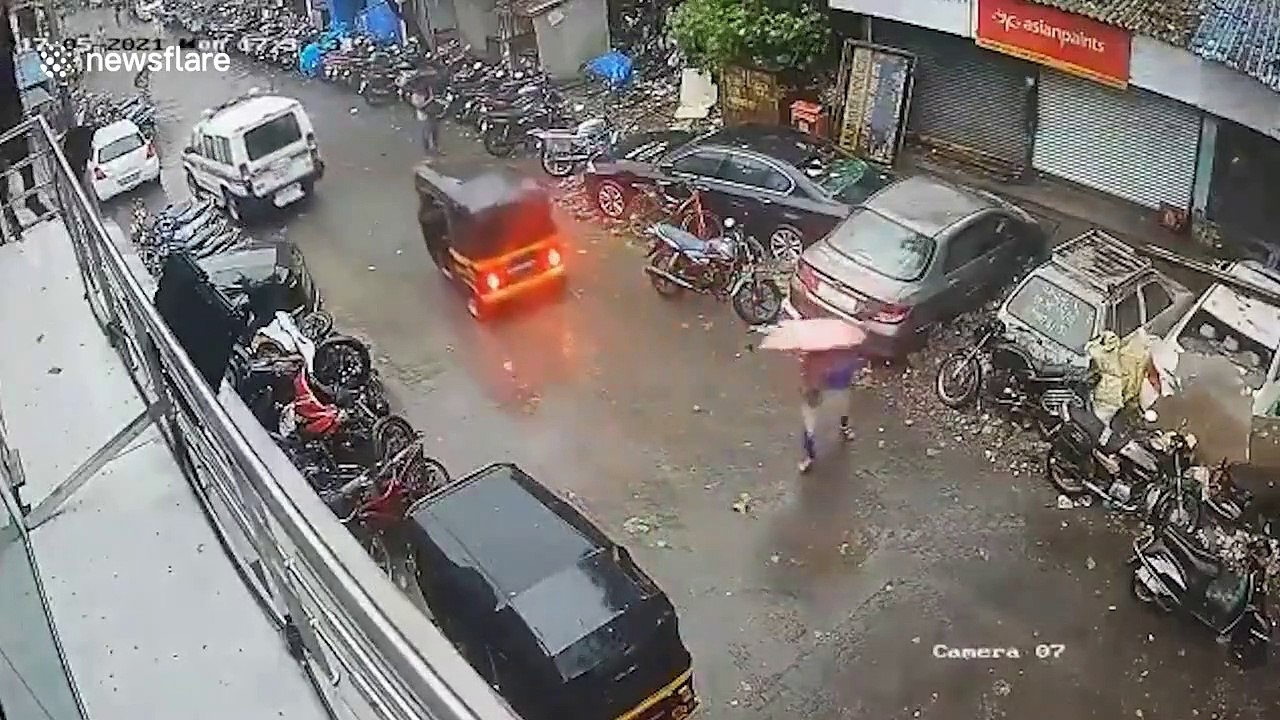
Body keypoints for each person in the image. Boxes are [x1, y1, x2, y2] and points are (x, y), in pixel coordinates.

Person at [797, 347, 865, 473]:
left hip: (825, 389)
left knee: (812, 422)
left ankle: (810, 455)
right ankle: (810, 454)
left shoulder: (824, 356)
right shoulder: (838, 353)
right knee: (810, 424)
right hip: (818, 392)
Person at [408, 80, 440, 155]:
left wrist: (430, 91)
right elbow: (419, 107)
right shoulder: (415, 96)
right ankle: (427, 151)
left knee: (435, 131)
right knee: (426, 134)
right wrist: (430, 100)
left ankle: (436, 148)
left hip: (431, 114)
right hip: (423, 116)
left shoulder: (425, 93)